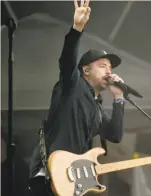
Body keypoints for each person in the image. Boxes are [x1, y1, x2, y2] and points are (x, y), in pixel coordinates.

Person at [25, 0, 125, 195]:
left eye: (110, 68)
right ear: (86, 70)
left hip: (72, 182)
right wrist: (76, 29)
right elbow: (67, 60)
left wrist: (119, 98)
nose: (109, 71)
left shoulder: (97, 108)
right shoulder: (73, 84)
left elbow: (115, 135)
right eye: (103, 66)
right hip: (49, 176)